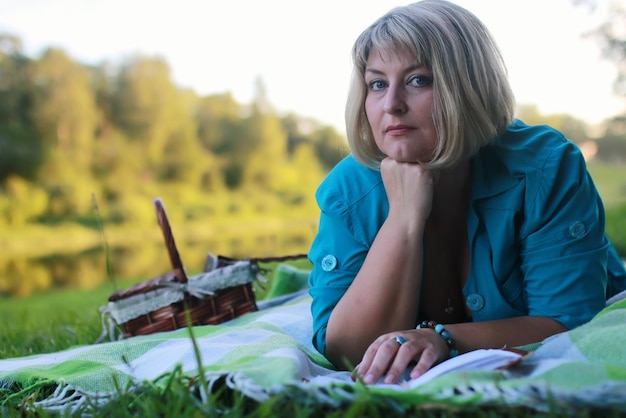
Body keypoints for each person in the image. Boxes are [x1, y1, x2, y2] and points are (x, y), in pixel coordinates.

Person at [307, 0, 626, 385]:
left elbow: (567, 320)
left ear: (468, 86)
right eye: (377, 83)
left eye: (418, 80)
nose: (391, 104)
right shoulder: (349, 191)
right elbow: (345, 352)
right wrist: (404, 219)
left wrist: (443, 338)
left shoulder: (545, 167)